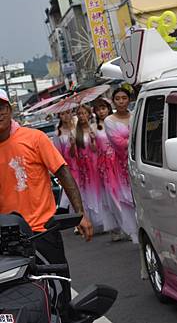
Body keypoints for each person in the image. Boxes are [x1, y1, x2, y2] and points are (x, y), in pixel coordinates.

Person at [0, 89, 93, 313]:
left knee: (60, 292)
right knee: (15, 300)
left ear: (9, 110)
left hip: (43, 230)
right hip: (7, 239)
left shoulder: (34, 138)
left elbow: (63, 174)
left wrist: (80, 215)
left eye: (0, 107)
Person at [103, 88, 138, 243]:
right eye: (118, 98)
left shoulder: (136, 115)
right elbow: (118, 143)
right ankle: (134, 232)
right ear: (113, 101)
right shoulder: (109, 121)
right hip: (122, 165)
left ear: (129, 99)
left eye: (124, 98)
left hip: (140, 161)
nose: (121, 101)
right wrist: (136, 141)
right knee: (128, 199)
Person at [93, 97, 125, 242]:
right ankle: (116, 227)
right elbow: (94, 149)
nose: (101, 111)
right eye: (98, 109)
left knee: (123, 195)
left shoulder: (115, 122)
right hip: (104, 165)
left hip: (118, 162)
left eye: (103, 108)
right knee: (110, 197)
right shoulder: (94, 128)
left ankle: (128, 226)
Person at [71, 104, 104, 231]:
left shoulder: (95, 128)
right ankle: (93, 220)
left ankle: (103, 219)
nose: (82, 116)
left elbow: (96, 149)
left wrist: (93, 140)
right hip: (84, 167)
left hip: (96, 163)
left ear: (89, 114)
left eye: (84, 113)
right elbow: (73, 154)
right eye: (79, 114)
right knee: (88, 193)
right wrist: (73, 144)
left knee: (100, 191)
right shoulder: (75, 132)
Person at [53, 109, 78, 210]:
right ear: (59, 116)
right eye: (62, 113)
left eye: (68, 112)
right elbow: (58, 155)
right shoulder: (58, 133)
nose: (66, 116)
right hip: (70, 168)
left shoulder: (78, 129)